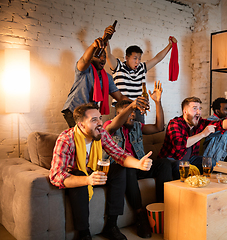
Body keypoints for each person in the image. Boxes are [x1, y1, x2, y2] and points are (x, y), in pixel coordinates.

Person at [49, 103, 152, 240]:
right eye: (94, 120)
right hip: (78, 180)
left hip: (94, 173)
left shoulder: (101, 133)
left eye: (100, 118)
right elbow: (56, 175)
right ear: (81, 125)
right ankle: (84, 233)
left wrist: (138, 164)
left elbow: (120, 155)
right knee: (78, 173)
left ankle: (111, 225)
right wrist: (87, 179)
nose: (100, 123)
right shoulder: (67, 140)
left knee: (119, 169)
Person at [103, 81, 172, 238]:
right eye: (129, 114)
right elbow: (114, 125)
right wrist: (131, 106)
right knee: (127, 168)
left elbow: (159, 127)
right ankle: (141, 216)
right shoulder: (109, 126)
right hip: (123, 169)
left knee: (164, 163)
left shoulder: (137, 126)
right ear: (120, 114)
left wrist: (157, 102)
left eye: (134, 115)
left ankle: (163, 207)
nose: (132, 117)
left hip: (140, 166)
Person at [61, 27, 149, 128]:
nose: (102, 59)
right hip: (73, 110)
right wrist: (96, 44)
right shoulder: (85, 69)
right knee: (81, 138)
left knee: (91, 138)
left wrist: (135, 103)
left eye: (104, 56)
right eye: (98, 56)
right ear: (92, 57)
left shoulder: (107, 78)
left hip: (88, 113)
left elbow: (120, 97)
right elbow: (85, 60)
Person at [157, 96, 227, 179]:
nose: (199, 112)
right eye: (194, 108)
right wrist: (202, 134)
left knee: (210, 161)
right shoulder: (175, 123)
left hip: (190, 159)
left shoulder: (199, 122)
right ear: (185, 111)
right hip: (172, 160)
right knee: (179, 165)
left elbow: (219, 125)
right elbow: (181, 145)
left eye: (199, 109)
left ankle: (204, 184)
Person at [104, 25, 177, 122]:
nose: (137, 62)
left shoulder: (141, 68)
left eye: (139, 59)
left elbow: (157, 58)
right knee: (121, 134)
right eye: (135, 58)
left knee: (138, 133)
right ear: (127, 58)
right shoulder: (118, 67)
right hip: (122, 108)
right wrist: (106, 37)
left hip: (138, 108)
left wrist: (170, 45)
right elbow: (108, 54)